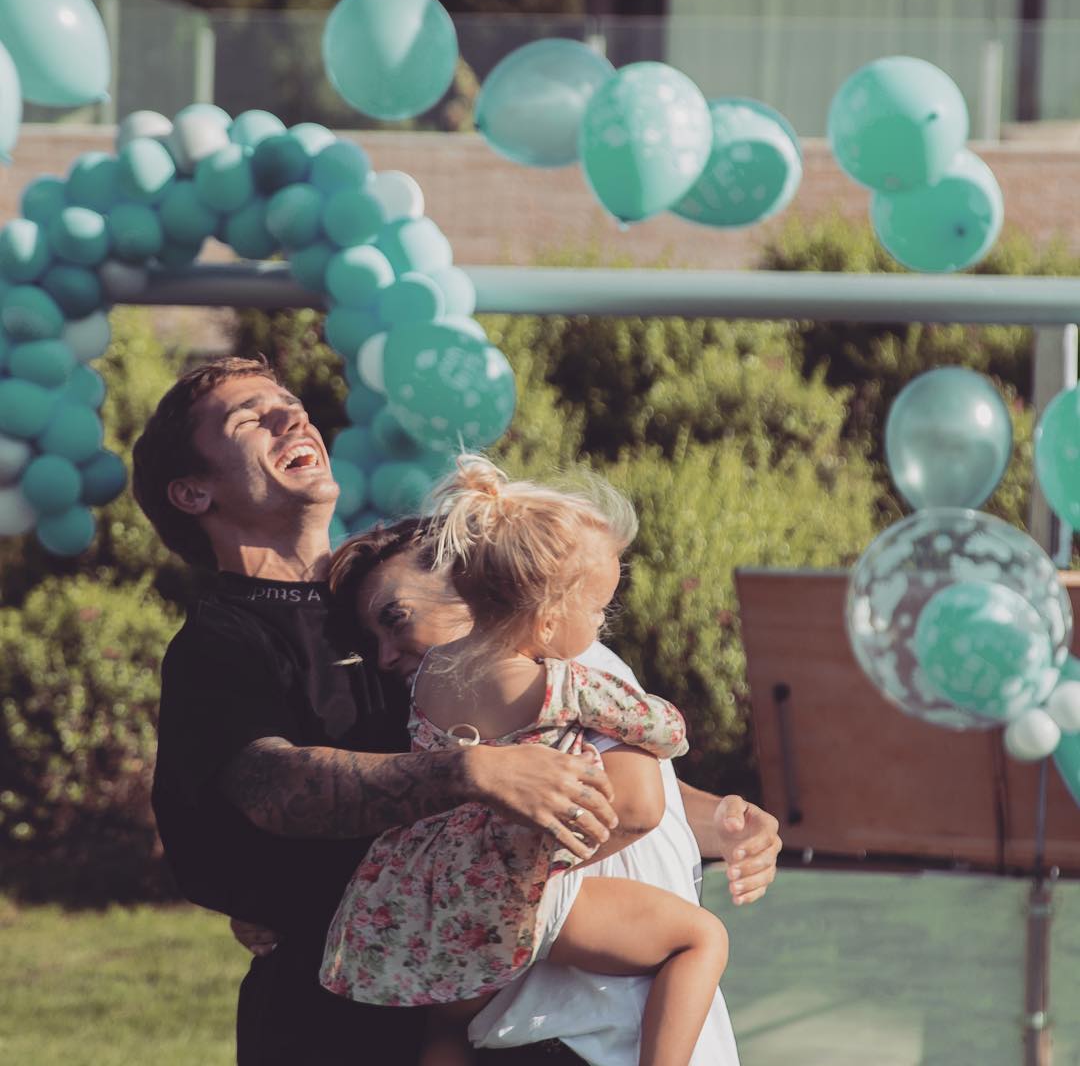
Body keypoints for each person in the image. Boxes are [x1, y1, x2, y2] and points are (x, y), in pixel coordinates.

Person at [132, 356, 779, 1065]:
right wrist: (471, 772)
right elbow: (272, 786)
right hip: (342, 1020)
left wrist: (717, 819)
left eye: (290, 403)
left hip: (528, 1013)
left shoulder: (400, 590)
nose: (293, 417)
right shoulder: (225, 640)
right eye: (250, 419)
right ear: (193, 492)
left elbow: (567, 753)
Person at [319, 456, 729, 1066]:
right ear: (549, 614)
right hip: (531, 899)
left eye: (395, 619)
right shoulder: (566, 682)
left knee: (444, 1029)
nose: (600, 624)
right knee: (701, 938)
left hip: (446, 897)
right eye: (598, 609)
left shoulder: (429, 680)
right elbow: (655, 749)